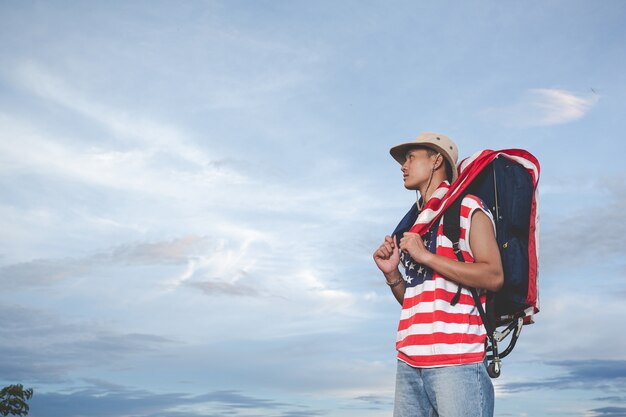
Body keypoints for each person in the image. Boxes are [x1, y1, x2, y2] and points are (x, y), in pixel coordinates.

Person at [373, 132, 504, 417]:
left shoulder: (468, 208)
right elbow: (416, 302)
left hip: (457, 362)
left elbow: (493, 275)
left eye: (411, 157)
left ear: (435, 160)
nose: (403, 166)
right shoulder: (416, 225)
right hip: (409, 362)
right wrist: (393, 273)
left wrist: (426, 256)